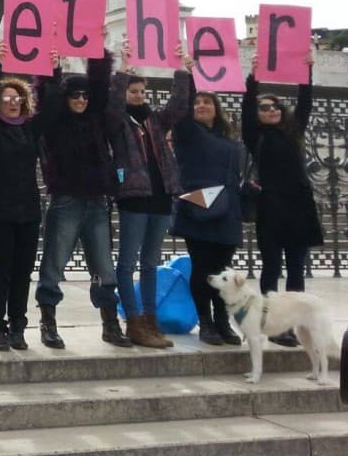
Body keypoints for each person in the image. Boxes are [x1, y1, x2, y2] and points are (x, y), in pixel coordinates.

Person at [34, 49, 131, 349]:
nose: (81, 100)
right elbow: (46, 99)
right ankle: (48, 322)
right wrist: (51, 71)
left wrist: (99, 51)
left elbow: (100, 85)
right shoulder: (55, 122)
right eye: (74, 95)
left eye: (84, 96)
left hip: (97, 200)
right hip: (66, 200)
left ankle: (110, 323)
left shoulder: (96, 119)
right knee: (54, 263)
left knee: (104, 266)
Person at [106, 41, 191, 349]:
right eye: (133, 91)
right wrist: (122, 70)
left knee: (150, 263)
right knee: (127, 263)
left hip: (160, 197)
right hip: (133, 197)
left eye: (142, 91)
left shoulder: (155, 120)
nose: (139, 96)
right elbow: (113, 107)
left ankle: (151, 322)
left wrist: (182, 70)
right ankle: (134, 320)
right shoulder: (116, 122)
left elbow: (178, 107)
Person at [0, 44, 55, 352]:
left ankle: (19, 326)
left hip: (27, 212)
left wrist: (53, 70)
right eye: (7, 97)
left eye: (17, 96)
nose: (13, 101)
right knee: (0, 270)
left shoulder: (30, 130)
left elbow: (51, 109)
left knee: (23, 272)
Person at [242, 53, 321, 347]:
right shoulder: (256, 136)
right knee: (272, 268)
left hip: (299, 207)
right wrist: (253, 76)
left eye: (275, 106)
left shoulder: (294, 131)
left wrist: (308, 71)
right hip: (272, 209)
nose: (271, 109)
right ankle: (272, 324)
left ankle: (292, 323)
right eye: (265, 107)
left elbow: (305, 104)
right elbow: (247, 109)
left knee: (297, 270)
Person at [170, 83, 244, 346]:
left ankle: (222, 320)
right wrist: (188, 75)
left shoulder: (228, 139)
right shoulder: (188, 132)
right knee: (202, 269)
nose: (201, 105)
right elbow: (180, 109)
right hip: (199, 207)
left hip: (227, 210)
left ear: (216, 110)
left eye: (207, 102)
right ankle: (207, 322)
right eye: (197, 102)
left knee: (222, 269)